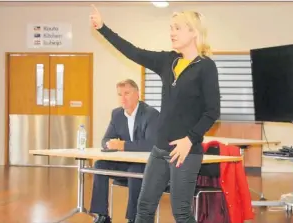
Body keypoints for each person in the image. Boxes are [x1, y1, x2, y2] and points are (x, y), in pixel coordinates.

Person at [90, 6, 220, 223]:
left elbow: (212, 111)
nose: (172, 32)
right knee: (144, 208)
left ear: (194, 32)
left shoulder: (206, 67)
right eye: (171, 28)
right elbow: (133, 51)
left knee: (181, 212)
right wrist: (103, 28)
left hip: (185, 152)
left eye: (177, 28)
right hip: (159, 150)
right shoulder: (168, 61)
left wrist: (190, 140)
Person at [90, 79, 160, 223]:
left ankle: (134, 218)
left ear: (137, 94)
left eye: (127, 93)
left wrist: (122, 145)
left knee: (135, 170)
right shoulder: (117, 114)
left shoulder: (150, 114)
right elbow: (105, 140)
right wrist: (110, 144)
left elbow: (151, 144)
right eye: (119, 94)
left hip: (147, 166)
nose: (123, 98)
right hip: (124, 164)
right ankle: (101, 215)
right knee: (99, 166)